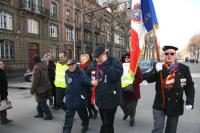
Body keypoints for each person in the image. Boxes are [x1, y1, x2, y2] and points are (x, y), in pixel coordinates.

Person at [145, 45, 195, 133]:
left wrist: (190, 101)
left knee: (171, 129)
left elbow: (189, 86)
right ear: (164, 55)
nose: (169, 55)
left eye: (172, 53)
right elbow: (148, 79)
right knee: (158, 128)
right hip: (160, 104)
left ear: (175, 55)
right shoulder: (159, 67)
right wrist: (154, 70)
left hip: (175, 104)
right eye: (166, 53)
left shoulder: (184, 69)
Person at [87, 46, 123, 133]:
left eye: (98, 57)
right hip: (100, 98)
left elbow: (116, 76)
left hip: (112, 98)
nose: (96, 60)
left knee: (108, 123)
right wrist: (91, 81)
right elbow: (87, 74)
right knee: (104, 122)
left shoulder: (115, 62)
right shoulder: (94, 63)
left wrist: (105, 64)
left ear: (104, 55)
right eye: (95, 58)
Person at [62, 59, 94, 133]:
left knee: (83, 115)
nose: (71, 67)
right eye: (69, 66)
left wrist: (91, 82)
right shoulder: (67, 73)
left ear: (76, 65)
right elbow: (68, 85)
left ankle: (85, 125)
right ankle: (66, 131)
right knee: (68, 118)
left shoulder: (81, 73)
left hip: (80, 99)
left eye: (72, 65)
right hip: (70, 98)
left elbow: (87, 80)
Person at [120, 53, 143, 127]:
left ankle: (132, 118)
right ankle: (126, 113)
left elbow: (140, 78)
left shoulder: (136, 67)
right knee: (122, 104)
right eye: (125, 57)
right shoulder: (120, 67)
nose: (127, 58)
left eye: (128, 57)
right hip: (123, 91)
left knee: (132, 108)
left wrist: (131, 84)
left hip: (133, 91)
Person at [30, 55, 53, 120]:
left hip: (40, 89)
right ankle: (40, 113)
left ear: (34, 61)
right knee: (40, 102)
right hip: (46, 86)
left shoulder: (37, 68)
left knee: (42, 102)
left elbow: (35, 81)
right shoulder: (44, 65)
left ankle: (49, 115)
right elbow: (47, 76)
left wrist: (32, 90)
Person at [80, 54, 98, 119]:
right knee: (86, 101)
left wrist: (92, 86)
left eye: (83, 59)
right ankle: (90, 113)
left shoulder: (91, 65)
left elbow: (93, 76)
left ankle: (94, 111)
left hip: (89, 86)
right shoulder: (81, 66)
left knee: (89, 101)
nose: (82, 60)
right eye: (81, 59)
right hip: (83, 86)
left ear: (87, 59)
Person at [0, 60, 13, 124]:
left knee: (4, 106)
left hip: (4, 93)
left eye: (2, 64)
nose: (3, 65)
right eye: (1, 64)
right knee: (2, 107)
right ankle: (3, 120)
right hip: (1, 94)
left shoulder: (2, 71)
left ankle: (4, 119)